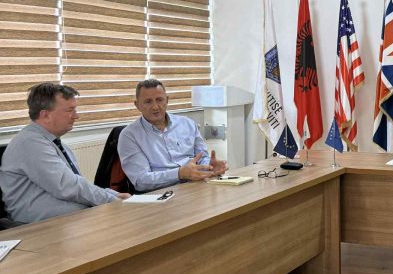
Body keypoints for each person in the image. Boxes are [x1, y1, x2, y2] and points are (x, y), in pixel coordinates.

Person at [0, 83, 130, 223]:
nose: (76, 116)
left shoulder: (55, 144)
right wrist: (110, 199)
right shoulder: (30, 143)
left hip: (68, 222)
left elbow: (76, 183)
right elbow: (68, 187)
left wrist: (111, 194)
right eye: (70, 110)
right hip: (38, 228)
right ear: (46, 115)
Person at [118, 79, 227, 192]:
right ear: (137, 105)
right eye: (148, 101)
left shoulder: (187, 124)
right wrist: (179, 174)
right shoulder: (129, 136)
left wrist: (210, 166)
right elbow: (141, 181)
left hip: (194, 187)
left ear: (167, 100)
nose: (155, 107)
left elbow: (201, 158)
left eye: (159, 100)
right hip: (160, 195)